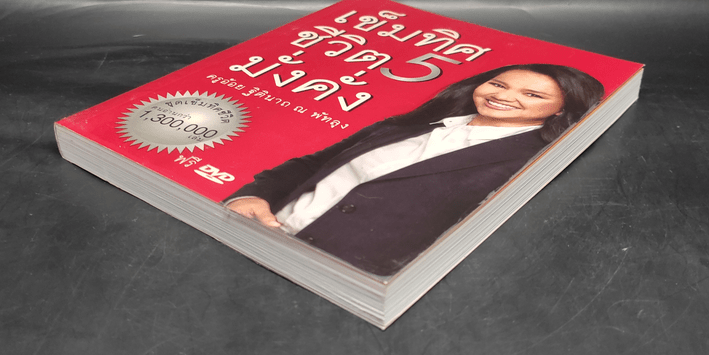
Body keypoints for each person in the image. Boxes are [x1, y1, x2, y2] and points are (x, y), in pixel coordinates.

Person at [226, 64, 604, 275]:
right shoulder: (404, 126)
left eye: (532, 95)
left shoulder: (535, 163)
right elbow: (311, 165)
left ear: (561, 109)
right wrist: (252, 195)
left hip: (339, 275)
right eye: (497, 83)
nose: (502, 96)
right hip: (255, 237)